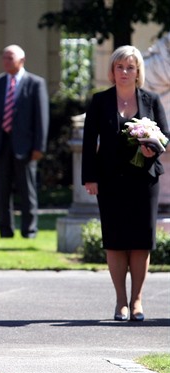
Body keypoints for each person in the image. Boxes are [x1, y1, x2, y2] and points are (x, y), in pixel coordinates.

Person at [82, 45, 169, 322]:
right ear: (112, 71)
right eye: (119, 67)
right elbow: (88, 143)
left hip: (144, 181)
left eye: (130, 67)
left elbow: (165, 136)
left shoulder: (151, 99)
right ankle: (120, 300)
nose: (124, 72)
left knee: (141, 242)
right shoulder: (100, 101)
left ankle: (137, 301)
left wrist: (152, 149)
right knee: (116, 242)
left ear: (138, 71)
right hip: (110, 181)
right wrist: (90, 177)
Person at [0, 44, 49, 239]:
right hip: (0, 146)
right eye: (4, 57)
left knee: (27, 191)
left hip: (26, 147)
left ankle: (29, 230)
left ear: (22, 60)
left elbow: (41, 118)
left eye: (10, 58)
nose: (5, 61)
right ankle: (5, 230)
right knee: (2, 191)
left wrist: (39, 146)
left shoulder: (35, 83)